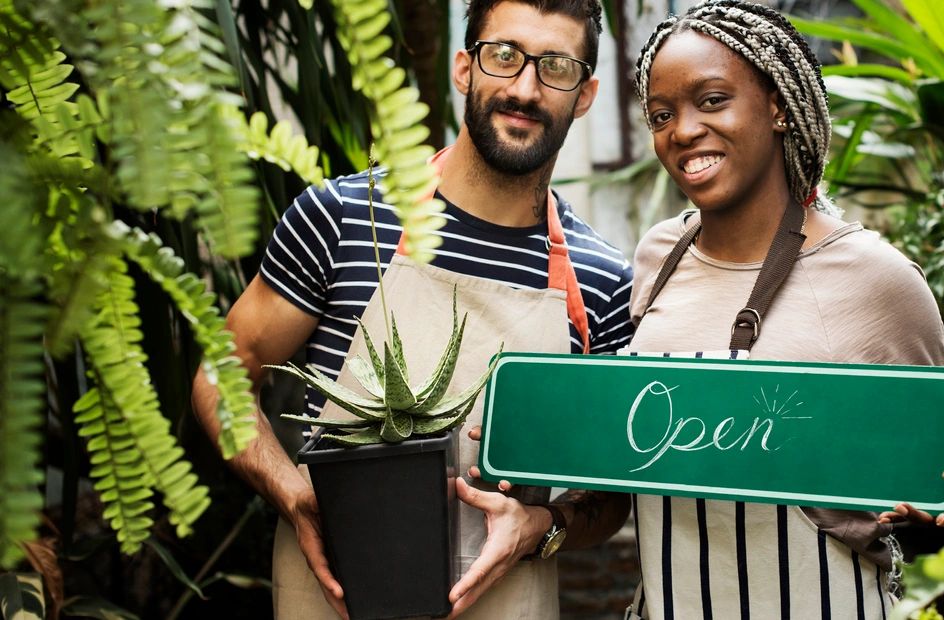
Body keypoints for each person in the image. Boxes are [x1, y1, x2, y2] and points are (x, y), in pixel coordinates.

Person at [189, 0, 634, 618]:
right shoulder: (343, 218)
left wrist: (541, 526)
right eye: (503, 56)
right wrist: (296, 497)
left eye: (555, 66)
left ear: (584, 94)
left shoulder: (601, 280)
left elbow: (612, 496)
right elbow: (224, 372)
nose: (525, 88)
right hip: (335, 594)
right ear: (463, 68)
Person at [619, 1, 944, 617]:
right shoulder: (657, 256)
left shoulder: (874, 278)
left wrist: (925, 505)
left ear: (777, 107)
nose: (683, 131)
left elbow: (940, 467)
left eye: (712, 100)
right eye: (663, 114)